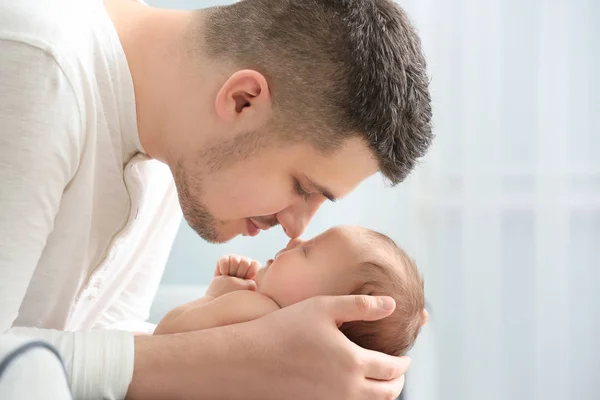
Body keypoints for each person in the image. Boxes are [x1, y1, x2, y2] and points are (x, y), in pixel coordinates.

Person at [0, 0, 433, 398]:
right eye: (302, 187)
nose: (296, 228)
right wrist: (235, 354)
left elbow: (109, 341)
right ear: (243, 101)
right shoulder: (37, 65)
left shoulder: (174, 149)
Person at [154, 225, 429, 358]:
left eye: (307, 251)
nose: (296, 239)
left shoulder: (254, 310)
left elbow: (163, 337)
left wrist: (215, 296)